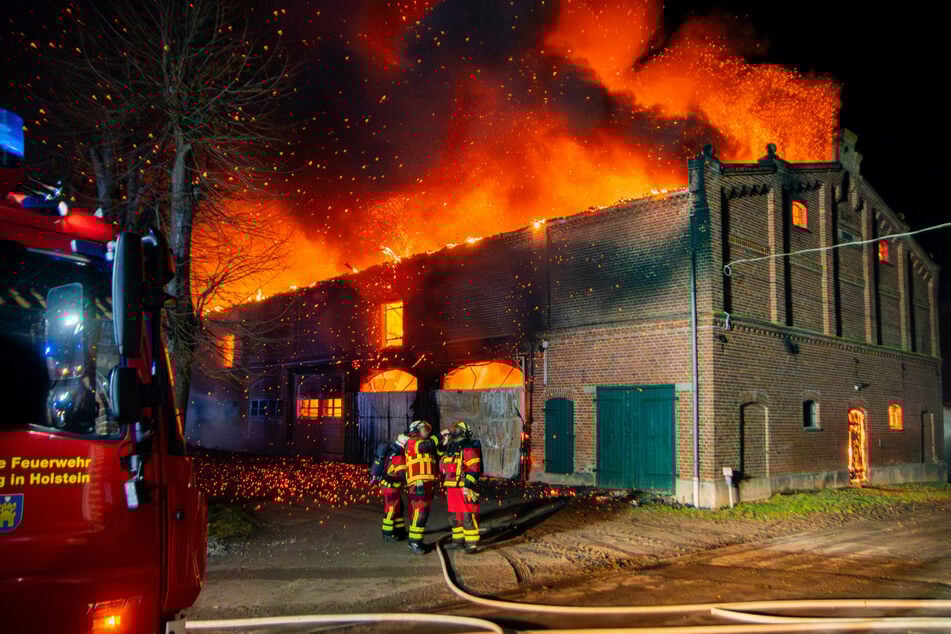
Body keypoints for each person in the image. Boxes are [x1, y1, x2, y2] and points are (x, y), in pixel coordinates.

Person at [439, 420, 483, 553]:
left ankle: (471, 544)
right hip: (452, 487)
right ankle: (457, 541)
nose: (452, 430)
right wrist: (443, 444)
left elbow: (474, 467)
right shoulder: (451, 447)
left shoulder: (467, 446)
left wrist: (468, 485)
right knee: (455, 516)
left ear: (463, 432)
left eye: (456, 428)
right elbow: (442, 466)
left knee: (467, 516)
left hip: (464, 487)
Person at [401, 420, 439, 554]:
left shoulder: (424, 443)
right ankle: (414, 542)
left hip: (425, 482)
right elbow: (426, 446)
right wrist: (440, 435)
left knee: (422, 511)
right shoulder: (412, 442)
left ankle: (416, 540)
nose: (427, 431)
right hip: (418, 482)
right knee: (420, 511)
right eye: (424, 429)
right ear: (415, 430)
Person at [369, 437, 407, 542]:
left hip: (390, 484)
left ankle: (400, 530)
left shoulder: (392, 453)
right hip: (390, 486)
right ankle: (387, 533)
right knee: (391, 509)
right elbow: (401, 474)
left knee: (399, 508)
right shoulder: (398, 456)